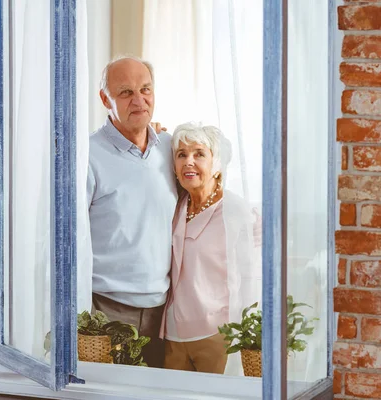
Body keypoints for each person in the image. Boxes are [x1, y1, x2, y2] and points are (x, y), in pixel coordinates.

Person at [86, 56, 177, 368]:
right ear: (105, 99)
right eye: (125, 93)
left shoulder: (170, 146)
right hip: (106, 309)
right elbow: (64, 239)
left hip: (164, 309)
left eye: (146, 89)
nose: (139, 100)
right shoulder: (87, 155)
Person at [160, 122, 260, 374]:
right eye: (181, 155)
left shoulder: (235, 211)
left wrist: (246, 335)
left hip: (216, 334)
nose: (188, 162)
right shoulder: (175, 205)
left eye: (199, 154)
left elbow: (248, 277)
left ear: (217, 166)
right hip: (173, 333)